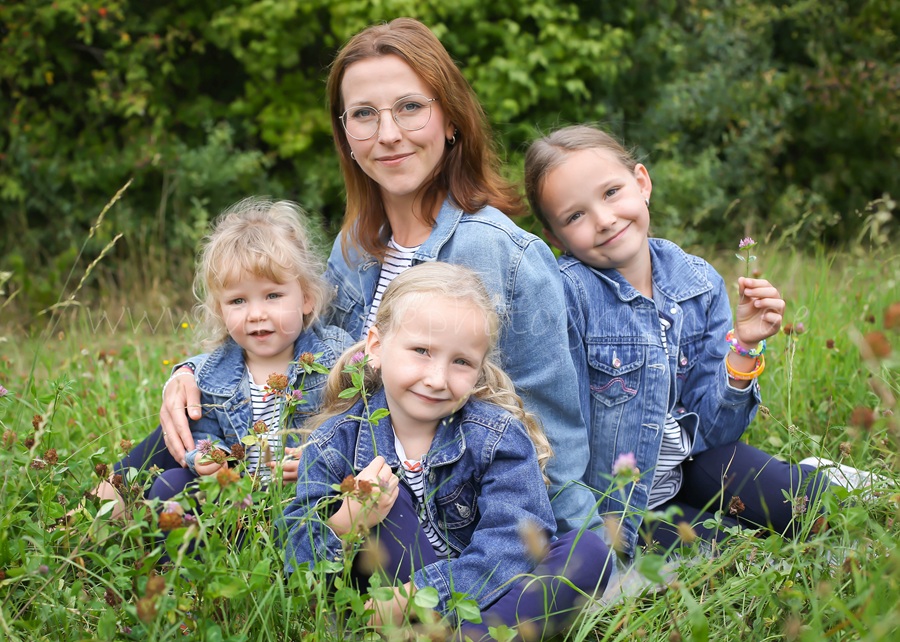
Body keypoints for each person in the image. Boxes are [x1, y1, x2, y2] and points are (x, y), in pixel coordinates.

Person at [158, 18, 598, 535]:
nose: (388, 134)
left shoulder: (503, 253)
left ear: (451, 118)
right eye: (364, 114)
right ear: (345, 135)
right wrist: (189, 371)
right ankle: (120, 511)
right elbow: (297, 341)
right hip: (345, 484)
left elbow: (556, 443)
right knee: (181, 450)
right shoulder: (356, 247)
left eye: (411, 107)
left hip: (448, 513)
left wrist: (571, 551)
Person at [524, 124, 834, 558]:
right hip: (626, 507)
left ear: (642, 182)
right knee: (736, 553)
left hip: (691, 465)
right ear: (556, 238)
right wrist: (591, 540)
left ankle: (821, 479)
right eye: (575, 216)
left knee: (805, 506)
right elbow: (562, 439)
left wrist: (743, 346)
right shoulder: (567, 298)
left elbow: (716, 431)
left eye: (611, 192)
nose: (604, 219)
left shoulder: (697, 281)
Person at [284, 262, 611, 639]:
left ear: (479, 367)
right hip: (383, 596)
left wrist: (415, 598)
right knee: (380, 493)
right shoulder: (335, 442)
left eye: (461, 362)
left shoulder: (496, 436)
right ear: (376, 346)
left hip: (481, 595)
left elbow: (515, 542)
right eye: (421, 350)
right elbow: (298, 563)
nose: (437, 379)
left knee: (588, 553)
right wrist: (347, 522)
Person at [93, 198, 352, 515]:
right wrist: (207, 455)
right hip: (238, 505)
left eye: (272, 295)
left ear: (307, 299)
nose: (256, 313)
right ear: (220, 311)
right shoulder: (213, 374)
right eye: (238, 301)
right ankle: (160, 546)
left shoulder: (334, 355)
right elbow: (203, 433)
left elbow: (357, 424)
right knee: (170, 485)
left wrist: (322, 460)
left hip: (305, 504)